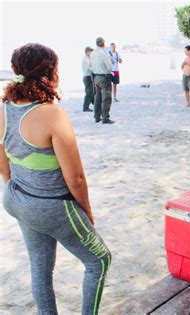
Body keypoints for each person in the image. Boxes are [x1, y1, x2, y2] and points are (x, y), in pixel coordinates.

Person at [0, 43, 111, 315]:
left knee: (40, 268)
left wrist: (21, 194)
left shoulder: (2, 108)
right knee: (99, 260)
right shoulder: (52, 113)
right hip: (51, 206)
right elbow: (75, 178)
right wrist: (86, 210)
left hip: (17, 198)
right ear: (50, 72)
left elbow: (4, 166)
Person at [90, 37, 114, 124]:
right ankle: (105, 118)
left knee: (97, 98)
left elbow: (91, 66)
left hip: (96, 77)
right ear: (102, 44)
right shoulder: (105, 54)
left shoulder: (92, 54)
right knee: (106, 98)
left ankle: (97, 117)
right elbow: (110, 67)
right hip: (104, 77)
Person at [82, 46, 94, 112]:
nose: (91, 54)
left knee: (91, 91)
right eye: (91, 52)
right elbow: (90, 68)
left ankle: (94, 103)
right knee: (89, 92)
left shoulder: (87, 58)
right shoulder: (86, 59)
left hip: (87, 76)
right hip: (87, 77)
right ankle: (85, 107)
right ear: (87, 52)